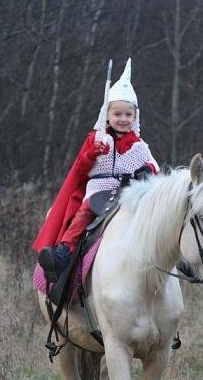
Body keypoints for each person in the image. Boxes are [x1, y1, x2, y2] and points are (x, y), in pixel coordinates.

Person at [32, 58, 159, 283]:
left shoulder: (139, 146)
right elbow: (80, 169)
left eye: (128, 115)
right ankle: (65, 251)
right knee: (83, 214)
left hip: (127, 194)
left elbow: (153, 168)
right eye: (117, 114)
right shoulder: (96, 139)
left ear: (135, 117)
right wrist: (92, 153)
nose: (123, 119)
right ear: (107, 115)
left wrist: (146, 171)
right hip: (97, 193)